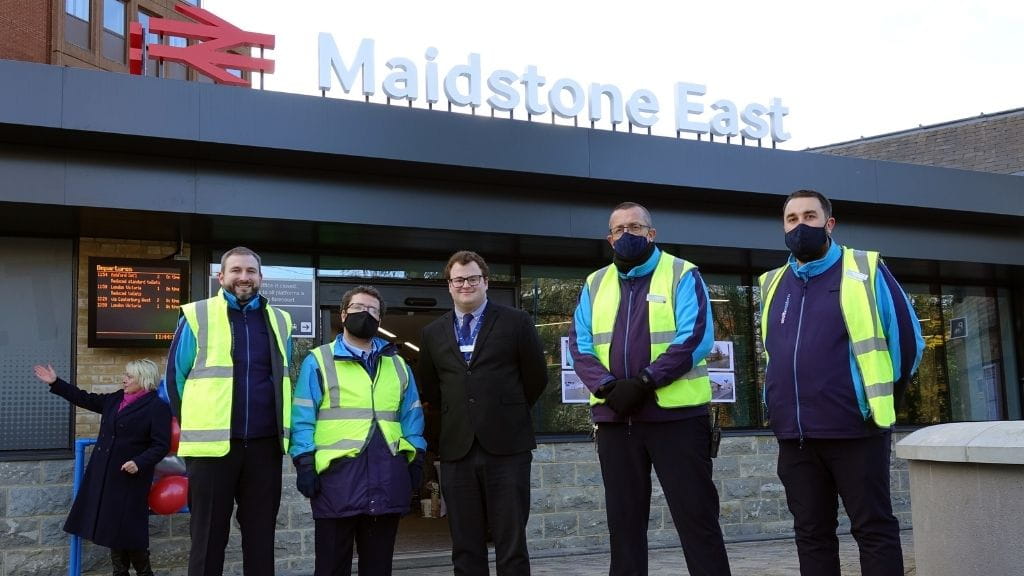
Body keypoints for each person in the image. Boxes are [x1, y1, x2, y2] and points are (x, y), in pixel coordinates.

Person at [758, 189, 924, 576]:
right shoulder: (771, 283)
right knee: (811, 534)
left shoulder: (865, 269)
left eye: (810, 217)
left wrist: (875, 402)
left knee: (873, 530)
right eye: (792, 219)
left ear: (829, 223)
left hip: (855, 431)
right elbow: (774, 355)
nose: (801, 225)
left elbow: (908, 343)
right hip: (796, 437)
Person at [569, 202, 731, 576]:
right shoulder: (594, 284)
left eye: (636, 227)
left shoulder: (682, 274)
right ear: (609, 238)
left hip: (677, 421)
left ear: (651, 233)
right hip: (615, 420)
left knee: (697, 520)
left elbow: (695, 339)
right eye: (619, 229)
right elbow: (579, 345)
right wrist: (608, 387)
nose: (628, 234)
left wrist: (645, 381)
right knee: (623, 528)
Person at [417, 250, 548, 576]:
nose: (465, 285)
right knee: (465, 545)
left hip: (508, 449)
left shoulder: (517, 322)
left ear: (485, 281)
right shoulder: (432, 333)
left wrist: (502, 412)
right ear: (449, 285)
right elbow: (431, 389)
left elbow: (536, 378)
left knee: (511, 542)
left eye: (472, 278)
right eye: (458, 279)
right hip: (457, 452)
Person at [164, 246, 293, 576]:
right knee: (207, 539)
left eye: (251, 271)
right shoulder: (197, 315)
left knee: (261, 539)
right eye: (236, 270)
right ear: (221, 277)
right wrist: (195, 422)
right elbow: (174, 380)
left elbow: (282, 377)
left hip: (265, 447)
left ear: (261, 278)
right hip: (211, 450)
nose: (244, 277)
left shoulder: (280, 320)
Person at [289, 285, 426, 576]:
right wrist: (303, 461)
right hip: (336, 483)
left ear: (380, 319)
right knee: (330, 568)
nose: (366, 314)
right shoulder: (319, 360)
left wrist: (416, 458)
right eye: (359, 309)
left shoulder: (399, 365)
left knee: (378, 568)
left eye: (373, 311)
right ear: (343, 314)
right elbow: (302, 417)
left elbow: (412, 417)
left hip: (386, 479)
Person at [34, 359, 170, 576]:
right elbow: (85, 398)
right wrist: (56, 383)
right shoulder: (116, 398)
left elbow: (161, 445)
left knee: (131, 533)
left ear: (144, 380)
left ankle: (145, 573)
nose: (124, 379)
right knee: (114, 530)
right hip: (106, 475)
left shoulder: (157, 408)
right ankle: (120, 572)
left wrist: (139, 462)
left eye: (129, 376)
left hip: (131, 480)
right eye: (125, 374)